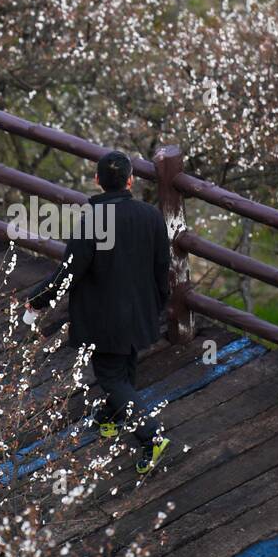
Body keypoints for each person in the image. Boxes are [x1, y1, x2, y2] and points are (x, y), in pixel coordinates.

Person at [22, 151, 172, 474]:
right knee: (124, 365)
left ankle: (151, 436)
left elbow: (69, 272)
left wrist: (38, 300)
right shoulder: (151, 216)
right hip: (141, 309)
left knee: (111, 375)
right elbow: (163, 269)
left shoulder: (93, 221)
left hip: (106, 317)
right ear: (130, 180)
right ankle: (112, 416)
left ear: (97, 182)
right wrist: (158, 304)